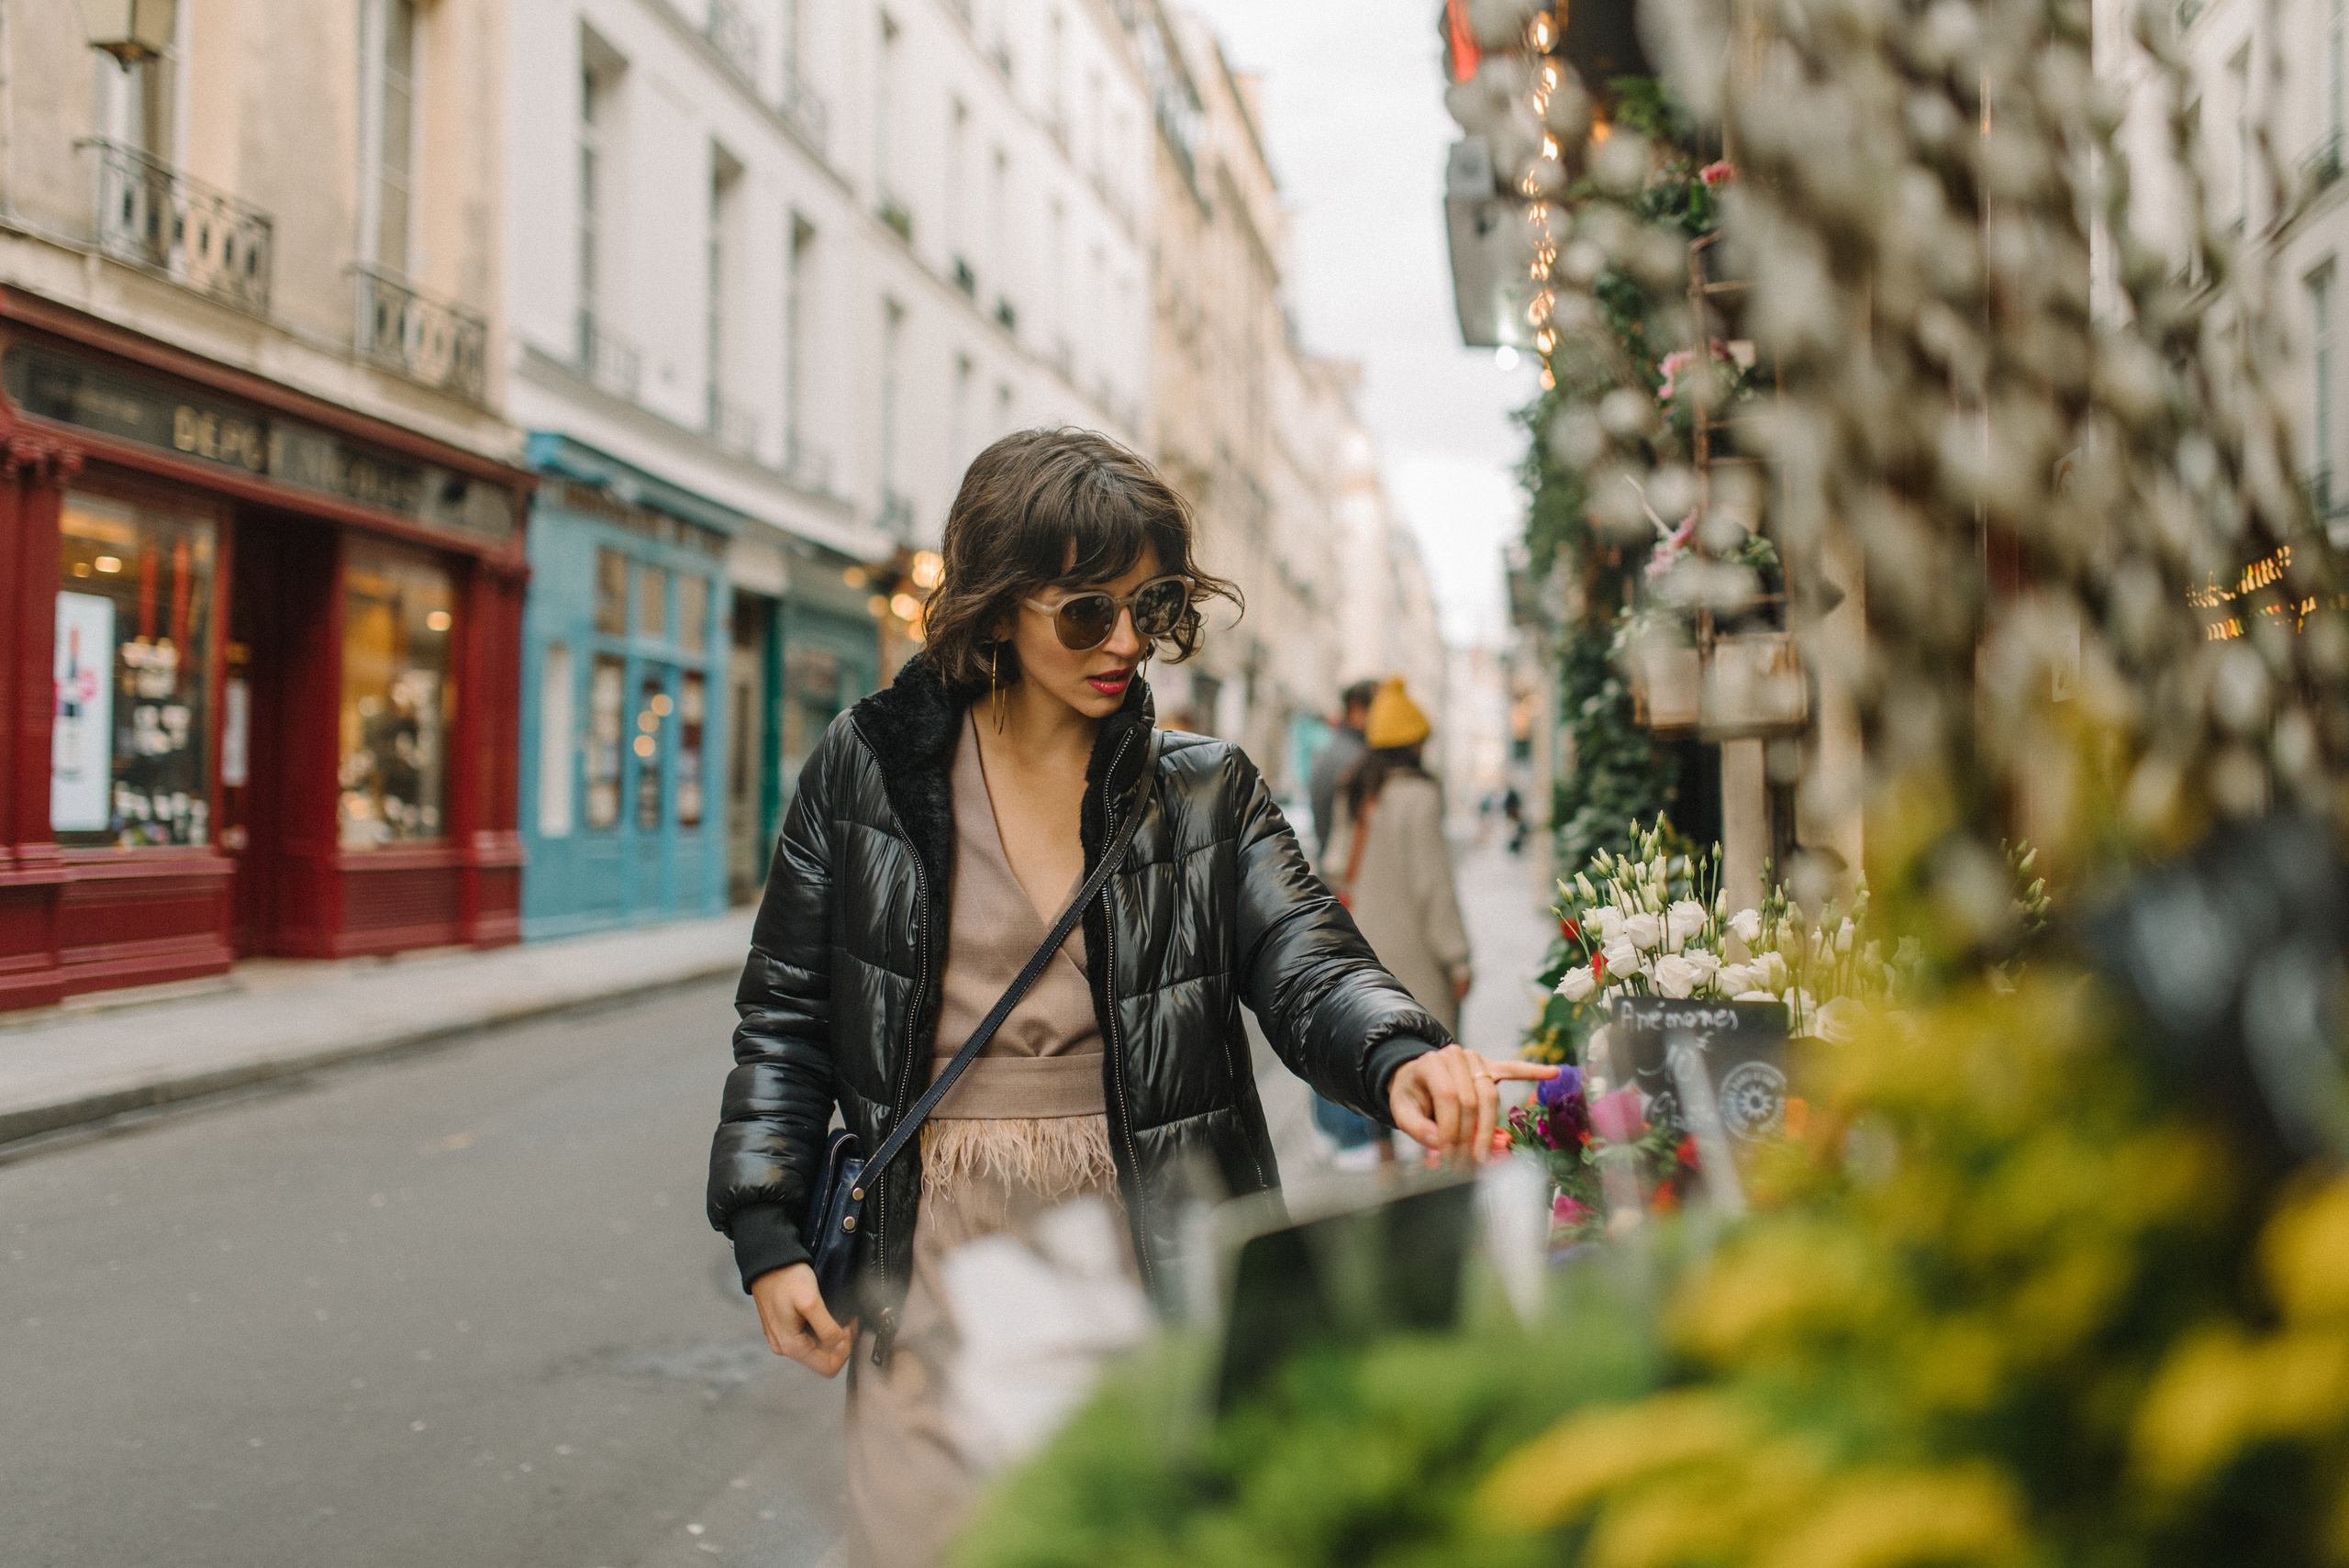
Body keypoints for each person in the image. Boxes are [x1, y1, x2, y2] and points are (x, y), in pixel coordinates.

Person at [705, 429, 1550, 1568]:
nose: (1126, 642)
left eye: (1149, 605)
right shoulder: (867, 767)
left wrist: (1399, 1050)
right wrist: (767, 1227)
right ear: (998, 604)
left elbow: (1309, 956)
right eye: (1084, 611)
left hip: (1148, 1223)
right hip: (933, 1241)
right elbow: (788, 1011)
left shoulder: (1204, 790)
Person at [1321, 678, 1474, 1038]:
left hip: (1362, 960)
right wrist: (1458, 960)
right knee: (1427, 1059)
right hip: (1416, 965)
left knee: (1377, 1063)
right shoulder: (1419, 796)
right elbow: (1433, 887)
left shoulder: (1355, 789)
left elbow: (1334, 866)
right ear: (1415, 744)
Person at [1308, 679, 1381, 860]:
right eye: (1379, 709)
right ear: (1356, 711)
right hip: (1345, 875)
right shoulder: (1355, 758)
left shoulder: (1339, 749)